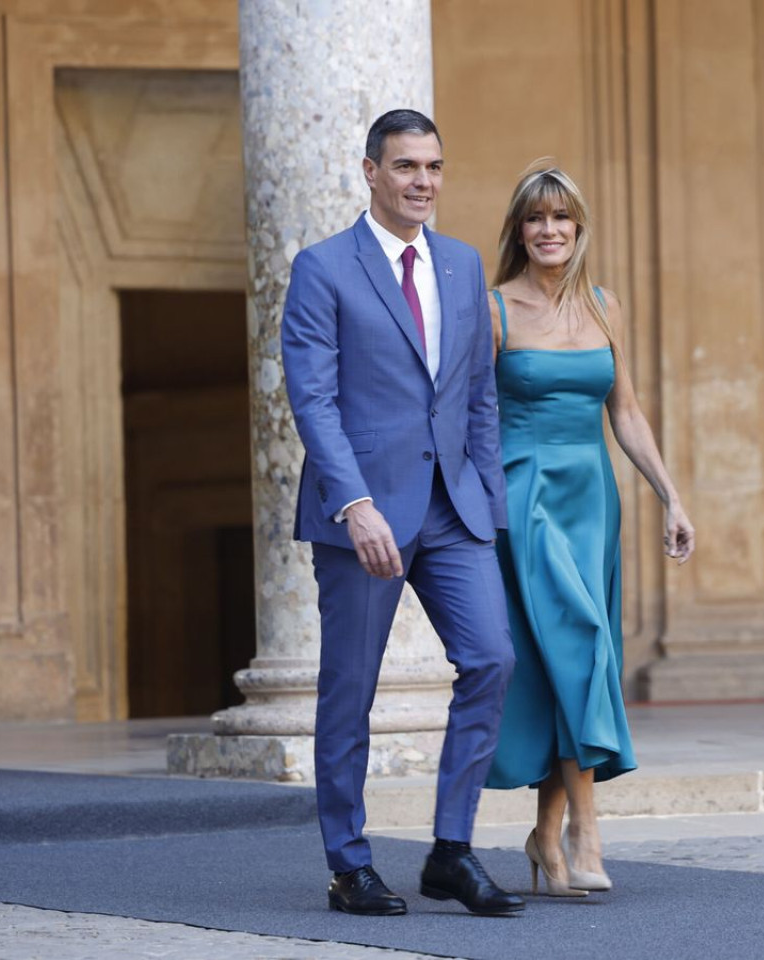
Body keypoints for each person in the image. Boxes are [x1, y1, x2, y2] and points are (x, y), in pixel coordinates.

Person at [281, 109, 523, 918]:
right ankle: (349, 864)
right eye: (407, 166)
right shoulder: (323, 268)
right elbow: (312, 401)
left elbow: (478, 397)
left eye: (435, 167)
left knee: (491, 658)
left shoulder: (461, 264)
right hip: (364, 515)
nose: (424, 181)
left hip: (455, 510)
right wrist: (353, 504)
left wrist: (486, 504)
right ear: (371, 172)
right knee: (350, 690)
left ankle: (451, 851)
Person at [484, 162, 695, 897]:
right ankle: (588, 829)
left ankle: (544, 837)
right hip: (525, 497)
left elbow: (626, 412)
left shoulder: (605, 307)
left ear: (579, 229)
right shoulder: (494, 310)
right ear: (518, 231)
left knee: (563, 662)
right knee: (578, 643)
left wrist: (671, 497)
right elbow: (468, 417)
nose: (549, 231)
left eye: (561, 218)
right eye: (535, 219)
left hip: (591, 502)